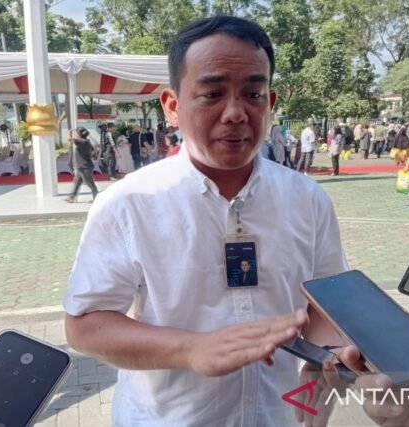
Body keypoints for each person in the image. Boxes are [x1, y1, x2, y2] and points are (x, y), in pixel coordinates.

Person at [64, 16, 349, 426]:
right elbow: (85, 326)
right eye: (212, 94)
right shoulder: (128, 204)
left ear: (270, 102)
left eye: (253, 94)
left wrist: (330, 360)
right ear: (172, 106)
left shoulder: (307, 199)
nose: (235, 113)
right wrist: (190, 349)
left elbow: (326, 306)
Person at [65, 127, 99, 203]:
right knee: (77, 182)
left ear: (79, 134)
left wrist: (69, 132)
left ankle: (97, 198)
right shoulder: (87, 142)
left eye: (77, 133)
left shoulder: (81, 141)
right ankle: (71, 197)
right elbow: (93, 151)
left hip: (84, 167)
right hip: (83, 166)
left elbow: (70, 140)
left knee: (90, 184)